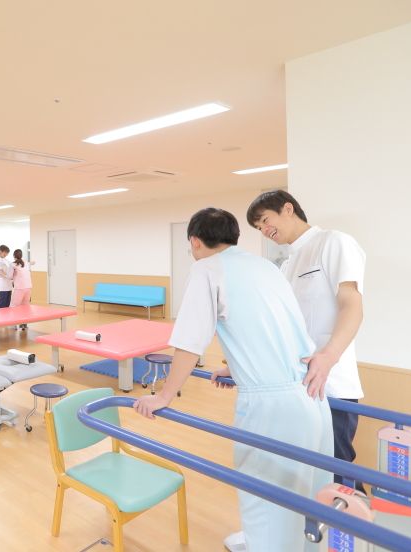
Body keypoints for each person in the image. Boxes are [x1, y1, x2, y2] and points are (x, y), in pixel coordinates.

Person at [132, 208, 332, 552]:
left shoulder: (207, 269)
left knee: (265, 497)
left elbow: (189, 343)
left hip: (273, 407)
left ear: (195, 241)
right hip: (311, 392)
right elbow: (273, 330)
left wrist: (164, 396)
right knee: (307, 498)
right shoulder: (266, 267)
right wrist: (239, 369)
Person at [247, 190, 366, 491]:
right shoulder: (287, 264)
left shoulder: (333, 242)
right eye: (259, 228)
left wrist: (329, 356)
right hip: (295, 386)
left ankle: (355, 521)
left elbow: (351, 304)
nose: (264, 230)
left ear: (288, 209)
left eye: (265, 220)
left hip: (330, 384)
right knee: (307, 474)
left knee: (336, 473)